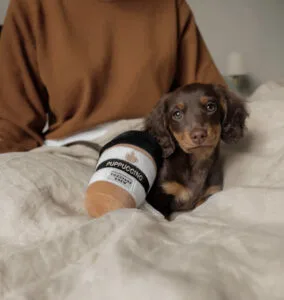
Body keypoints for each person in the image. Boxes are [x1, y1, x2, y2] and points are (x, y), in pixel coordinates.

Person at [0, 0, 225, 243]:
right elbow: (12, 123)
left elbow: (210, 99)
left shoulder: (170, 6)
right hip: (69, 154)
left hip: (151, 144)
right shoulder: (32, 6)